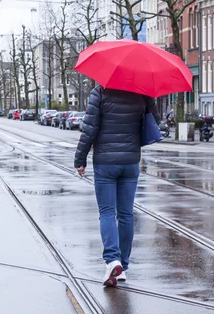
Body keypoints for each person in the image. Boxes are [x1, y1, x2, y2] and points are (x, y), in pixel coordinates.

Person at [74, 85, 160, 287]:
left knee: (106, 212)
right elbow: (156, 120)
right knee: (126, 214)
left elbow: (89, 129)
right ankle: (123, 265)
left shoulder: (100, 92)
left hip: (105, 162)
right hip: (131, 161)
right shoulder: (141, 92)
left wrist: (80, 158)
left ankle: (112, 260)